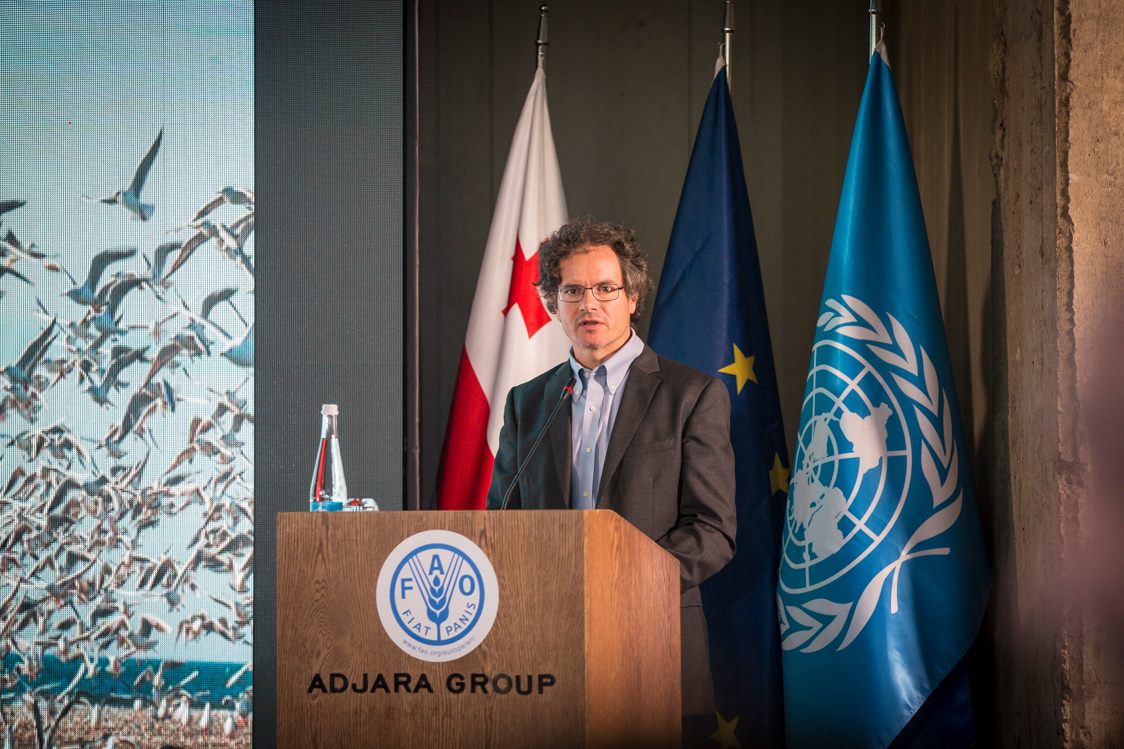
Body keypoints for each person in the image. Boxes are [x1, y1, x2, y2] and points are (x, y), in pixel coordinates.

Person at [486, 218, 736, 719]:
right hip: (546, 648)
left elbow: (712, 531)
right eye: (572, 291)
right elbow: (502, 525)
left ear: (633, 298)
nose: (590, 304)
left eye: (605, 288)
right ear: (552, 303)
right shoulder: (527, 402)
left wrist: (620, 586)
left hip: (653, 640)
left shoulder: (692, 396)